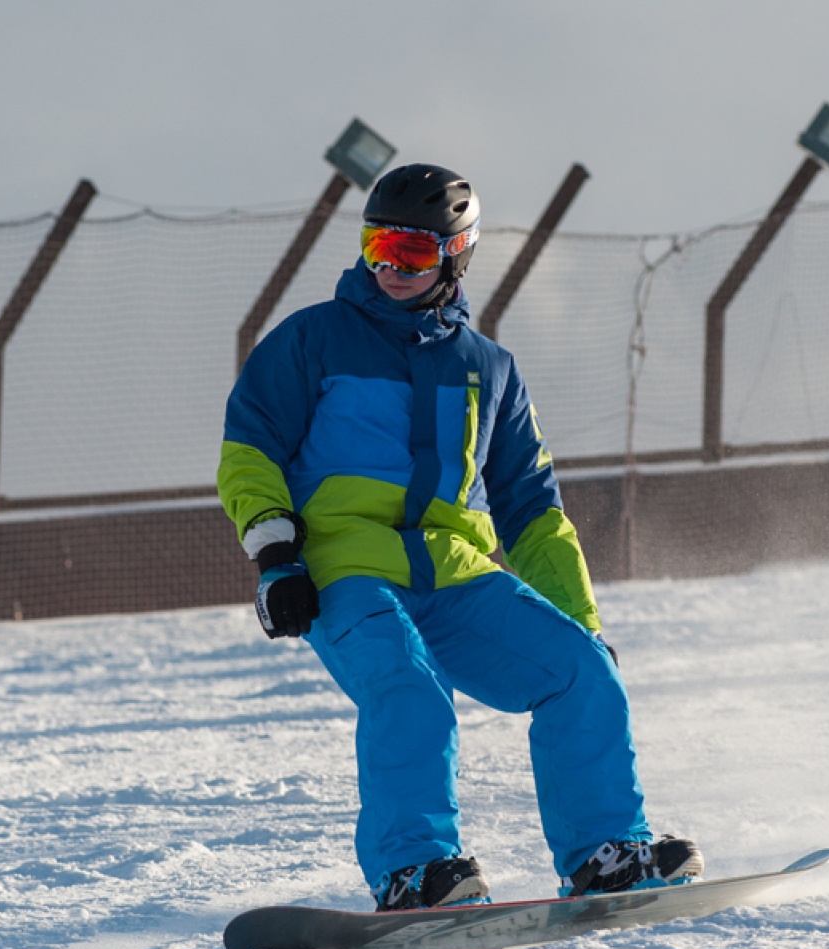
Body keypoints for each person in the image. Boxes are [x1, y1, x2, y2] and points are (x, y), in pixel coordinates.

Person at [218, 164, 701, 910]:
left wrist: (583, 621)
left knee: (581, 670)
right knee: (410, 687)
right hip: (343, 568)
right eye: (379, 247)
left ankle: (604, 855)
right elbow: (249, 451)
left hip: (452, 572)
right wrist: (277, 556)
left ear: (455, 252)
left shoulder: (489, 370)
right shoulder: (313, 339)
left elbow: (533, 510)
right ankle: (415, 871)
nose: (391, 268)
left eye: (412, 253)